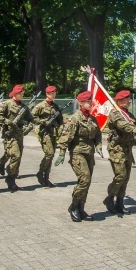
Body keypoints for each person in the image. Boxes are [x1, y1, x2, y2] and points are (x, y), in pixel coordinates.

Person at [54, 91, 102, 222]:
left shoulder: (92, 119)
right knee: (84, 180)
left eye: (90, 101)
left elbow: (98, 134)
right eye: (87, 101)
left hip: (89, 153)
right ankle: (74, 206)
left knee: (87, 182)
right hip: (77, 153)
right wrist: (62, 153)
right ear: (80, 103)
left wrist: (98, 146)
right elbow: (66, 137)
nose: (89, 103)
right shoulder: (75, 118)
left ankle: (81, 208)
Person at [103, 90, 136, 214]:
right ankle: (109, 198)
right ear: (119, 101)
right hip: (117, 149)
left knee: (126, 178)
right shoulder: (115, 113)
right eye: (125, 99)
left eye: (129, 99)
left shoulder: (128, 114)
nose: (128, 101)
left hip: (127, 149)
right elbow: (123, 126)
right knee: (120, 176)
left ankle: (120, 202)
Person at [0, 85, 34, 192]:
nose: (22, 94)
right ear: (15, 94)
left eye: (22, 93)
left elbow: (31, 119)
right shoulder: (6, 104)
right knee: (16, 155)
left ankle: (12, 176)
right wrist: (8, 122)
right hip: (9, 134)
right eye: (20, 93)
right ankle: (10, 177)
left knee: (17, 157)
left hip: (19, 134)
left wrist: (28, 127)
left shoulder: (24, 107)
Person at [32, 85, 63, 188]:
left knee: (52, 155)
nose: (54, 95)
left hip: (54, 134)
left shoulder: (56, 107)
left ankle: (46, 177)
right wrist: (43, 122)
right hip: (45, 134)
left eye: (55, 93)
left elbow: (60, 120)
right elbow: (32, 117)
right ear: (47, 94)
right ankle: (40, 172)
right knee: (49, 154)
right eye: (52, 93)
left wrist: (60, 128)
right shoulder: (40, 106)